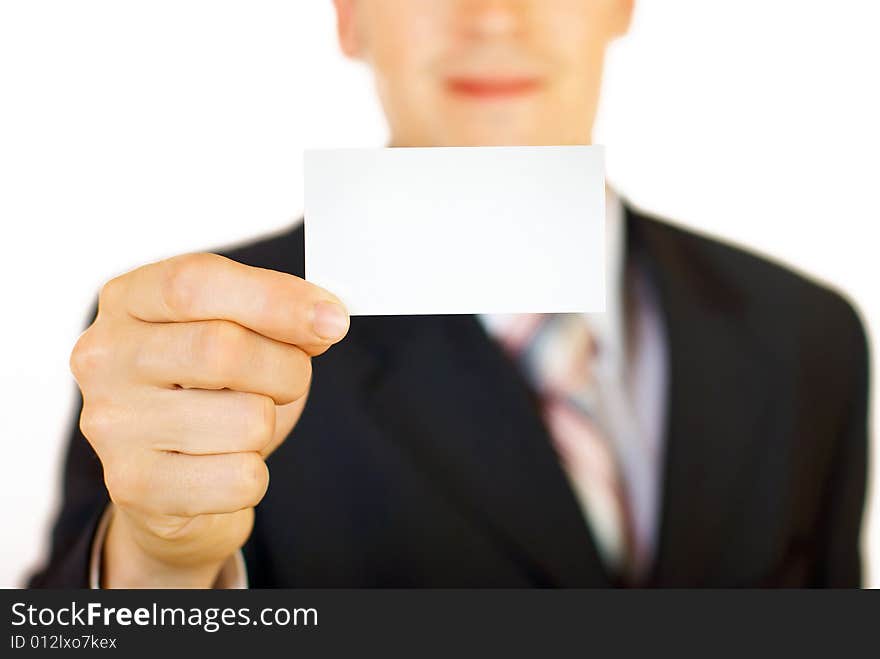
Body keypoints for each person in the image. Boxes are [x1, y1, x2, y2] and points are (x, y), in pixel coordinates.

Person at [31, 0, 869, 588]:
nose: (494, 16)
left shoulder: (809, 337)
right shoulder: (195, 353)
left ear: (622, 2)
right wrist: (155, 566)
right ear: (349, 14)